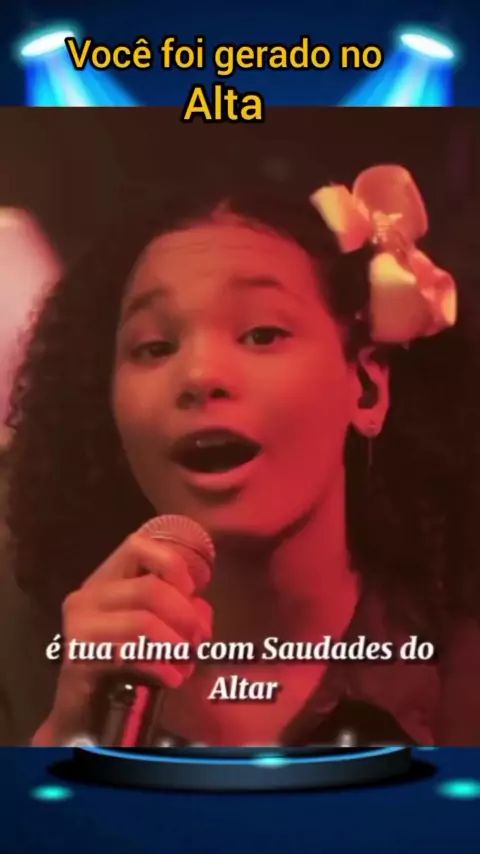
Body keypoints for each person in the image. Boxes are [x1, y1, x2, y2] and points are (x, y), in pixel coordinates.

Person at [2, 164, 480, 748]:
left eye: (261, 334)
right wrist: (67, 735)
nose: (200, 376)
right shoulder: (34, 670)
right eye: (155, 346)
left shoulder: (461, 680)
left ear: (365, 387)